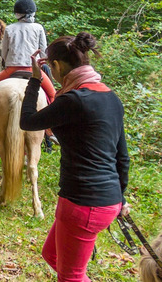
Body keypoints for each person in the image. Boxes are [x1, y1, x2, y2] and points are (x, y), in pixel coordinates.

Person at [20, 32, 129, 281]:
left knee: (70, 277)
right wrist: (120, 198)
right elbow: (122, 156)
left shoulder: (73, 100)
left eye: (51, 69)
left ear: (56, 66)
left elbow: (27, 121)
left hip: (83, 203)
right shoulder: (111, 97)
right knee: (53, 255)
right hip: (106, 199)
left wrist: (35, 79)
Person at [0, 0, 55, 137]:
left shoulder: (10, 29)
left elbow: (4, 51)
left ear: (18, 13)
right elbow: (43, 51)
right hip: (33, 70)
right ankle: (51, 129)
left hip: (12, 69)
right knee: (52, 94)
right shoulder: (38, 28)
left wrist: (7, 62)